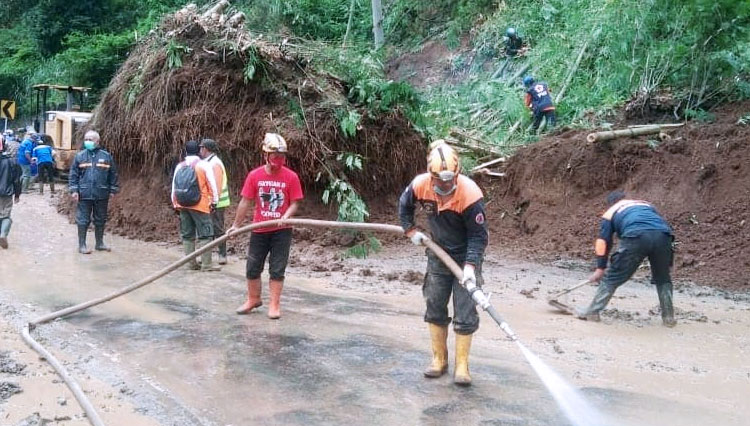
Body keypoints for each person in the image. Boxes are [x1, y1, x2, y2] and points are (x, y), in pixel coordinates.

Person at [398, 141, 489, 386]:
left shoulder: (469, 193)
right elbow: (404, 207)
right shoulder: (420, 185)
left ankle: (462, 365)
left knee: (465, 307)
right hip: (437, 254)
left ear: (457, 174)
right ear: (432, 176)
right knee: (435, 303)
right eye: (441, 181)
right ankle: (439, 360)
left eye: (451, 181)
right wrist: (410, 231)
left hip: (464, 257)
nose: (446, 186)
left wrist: (470, 267)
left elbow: (479, 236)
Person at [226, 133, 303, 320]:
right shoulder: (255, 176)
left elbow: (295, 203)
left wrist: (286, 216)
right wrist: (236, 225)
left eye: (282, 157)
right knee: (252, 267)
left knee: (277, 269)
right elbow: (245, 202)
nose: (279, 160)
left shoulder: (291, 177)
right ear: (265, 156)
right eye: (275, 157)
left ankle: (274, 304)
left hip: (281, 231)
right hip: (259, 230)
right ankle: (253, 299)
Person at [576, 191, 676, 327]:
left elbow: (603, 241)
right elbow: (659, 225)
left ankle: (592, 312)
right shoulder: (646, 205)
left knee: (612, 276)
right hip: (664, 236)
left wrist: (600, 269)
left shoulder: (611, 212)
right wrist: (666, 262)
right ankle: (669, 318)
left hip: (636, 236)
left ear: (611, 204)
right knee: (663, 278)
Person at [171, 140, 220, 272]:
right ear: (198, 151)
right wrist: (215, 201)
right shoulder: (203, 165)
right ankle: (206, 265)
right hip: (200, 205)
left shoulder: (179, 166)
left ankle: (191, 264)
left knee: (187, 235)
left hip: (182, 204)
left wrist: (176, 204)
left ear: (186, 152)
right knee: (206, 235)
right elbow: (212, 184)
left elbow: (174, 187)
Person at [69, 130, 119, 254]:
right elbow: (73, 175)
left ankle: (100, 243)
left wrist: (113, 189)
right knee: (83, 220)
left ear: (97, 141)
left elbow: (113, 174)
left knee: (100, 219)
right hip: (84, 194)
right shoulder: (80, 156)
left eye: (90, 140)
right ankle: (82, 245)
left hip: (102, 194)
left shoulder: (106, 156)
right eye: (86, 139)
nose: (88, 142)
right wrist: (74, 190)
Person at [199, 138, 231, 265]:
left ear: (206, 149)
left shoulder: (215, 164)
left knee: (218, 228)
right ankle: (208, 256)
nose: (200, 150)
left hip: (218, 203)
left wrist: (214, 202)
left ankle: (222, 255)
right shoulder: (209, 162)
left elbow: (216, 185)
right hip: (213, 202)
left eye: (201, 148)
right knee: (209, 228)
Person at [0, 143, 22, 249]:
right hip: (6, 193)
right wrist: (17, 194)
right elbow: (17, 180)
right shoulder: (12, 161)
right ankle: (3, 234)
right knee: (6, 216)